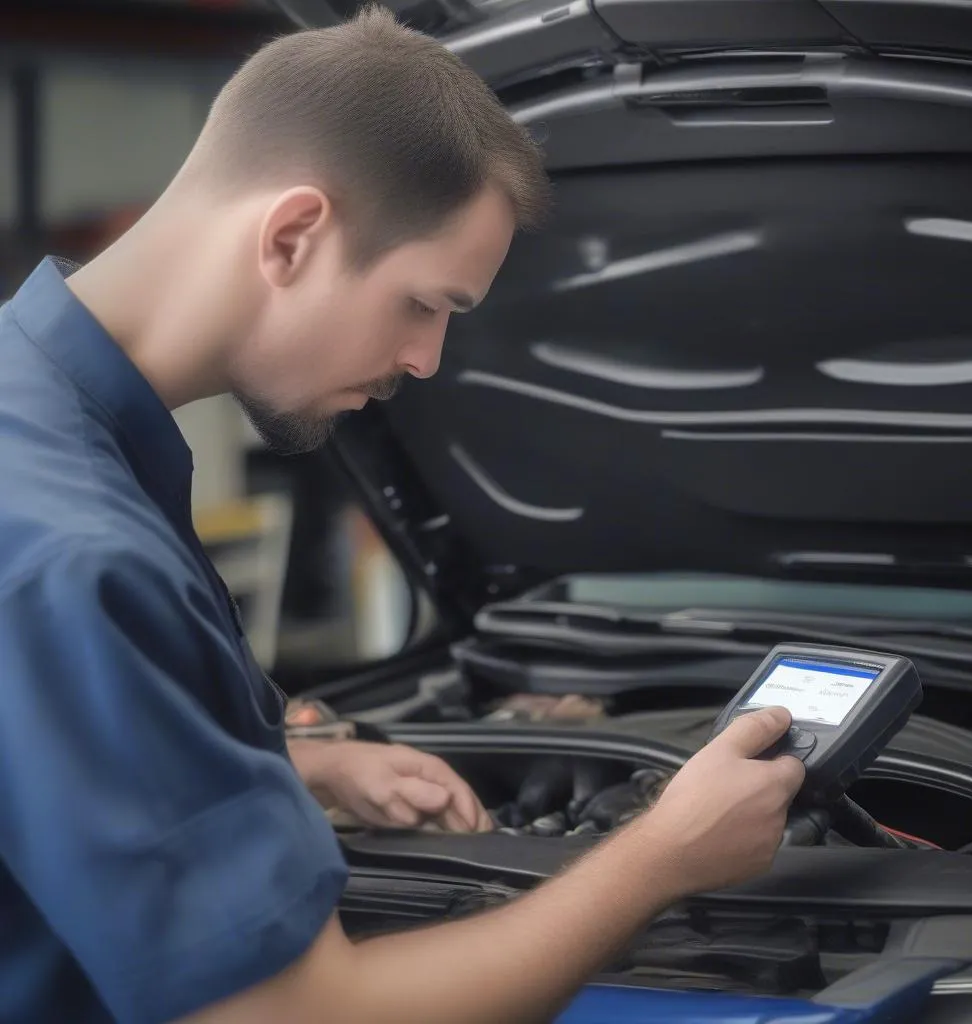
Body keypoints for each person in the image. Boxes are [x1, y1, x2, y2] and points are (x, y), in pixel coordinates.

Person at [0, 6, 805, 1023]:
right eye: (426, 304)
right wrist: (657, 858)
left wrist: (297, 764)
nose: (425, 362)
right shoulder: (74, 557)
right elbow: (289, 1016)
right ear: (292, 235)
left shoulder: (33, 428)